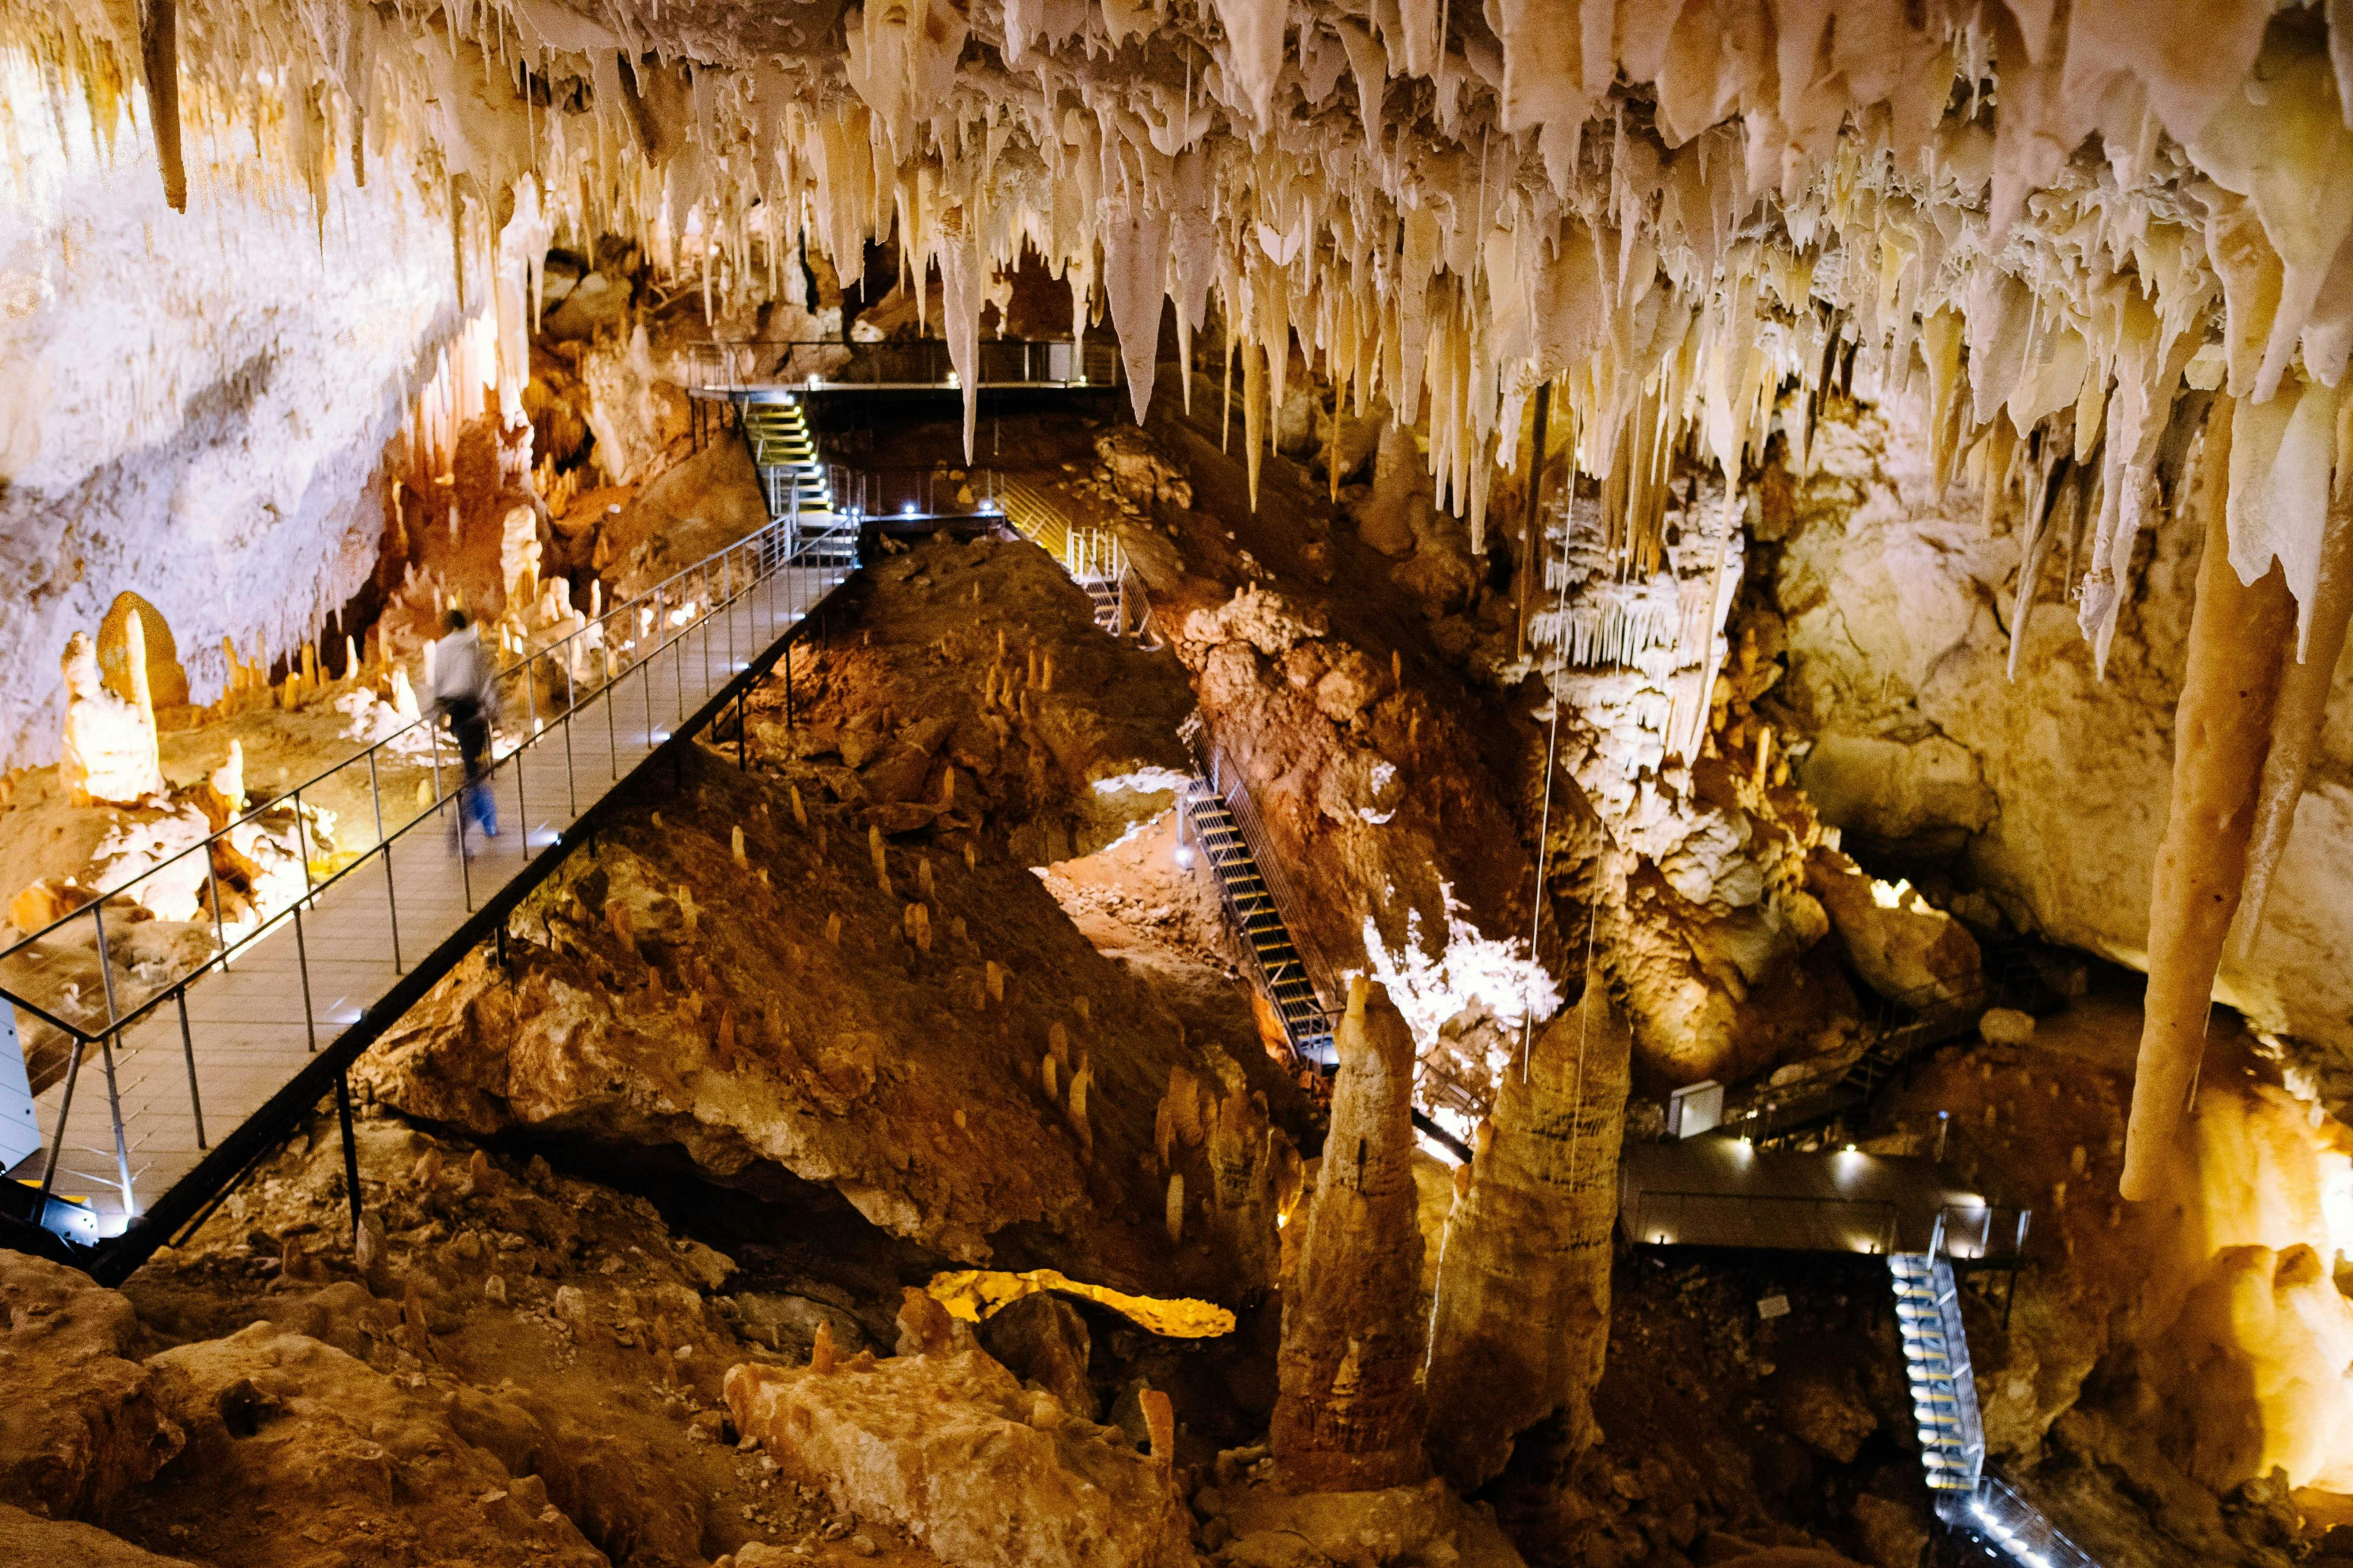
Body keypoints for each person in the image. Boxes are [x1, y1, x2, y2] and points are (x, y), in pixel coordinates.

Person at [430, 609, 500, 848]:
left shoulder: (441, 648)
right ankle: (458, 834)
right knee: (475, 774)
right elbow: (484, 679)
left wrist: (438, 714)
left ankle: (490, 824)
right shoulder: (473, 644)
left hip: (456, 715)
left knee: (476, 770)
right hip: (474, 712)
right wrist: (493, 709)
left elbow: (438, 683)